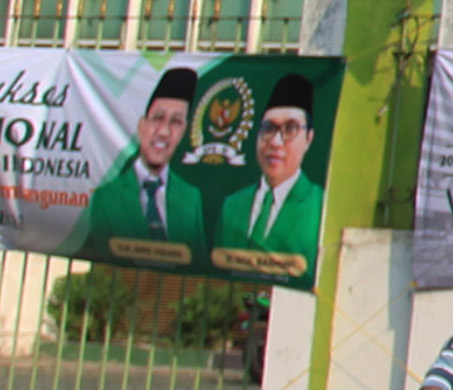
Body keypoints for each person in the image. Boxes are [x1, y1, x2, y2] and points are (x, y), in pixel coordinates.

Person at [72, 70, 207, 264]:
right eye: (158, 118)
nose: (164, 132)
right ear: (142, 126)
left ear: (183, 132)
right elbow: (104, 265)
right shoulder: (107, 197)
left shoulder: (191, 198)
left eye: (175, 122)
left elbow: (199, 266)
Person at [208, 72, 324, 275]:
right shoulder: (233, 205)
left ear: (309, 138)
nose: (275, 142)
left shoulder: (319, 204)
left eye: (290, 129)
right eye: (268, 128)